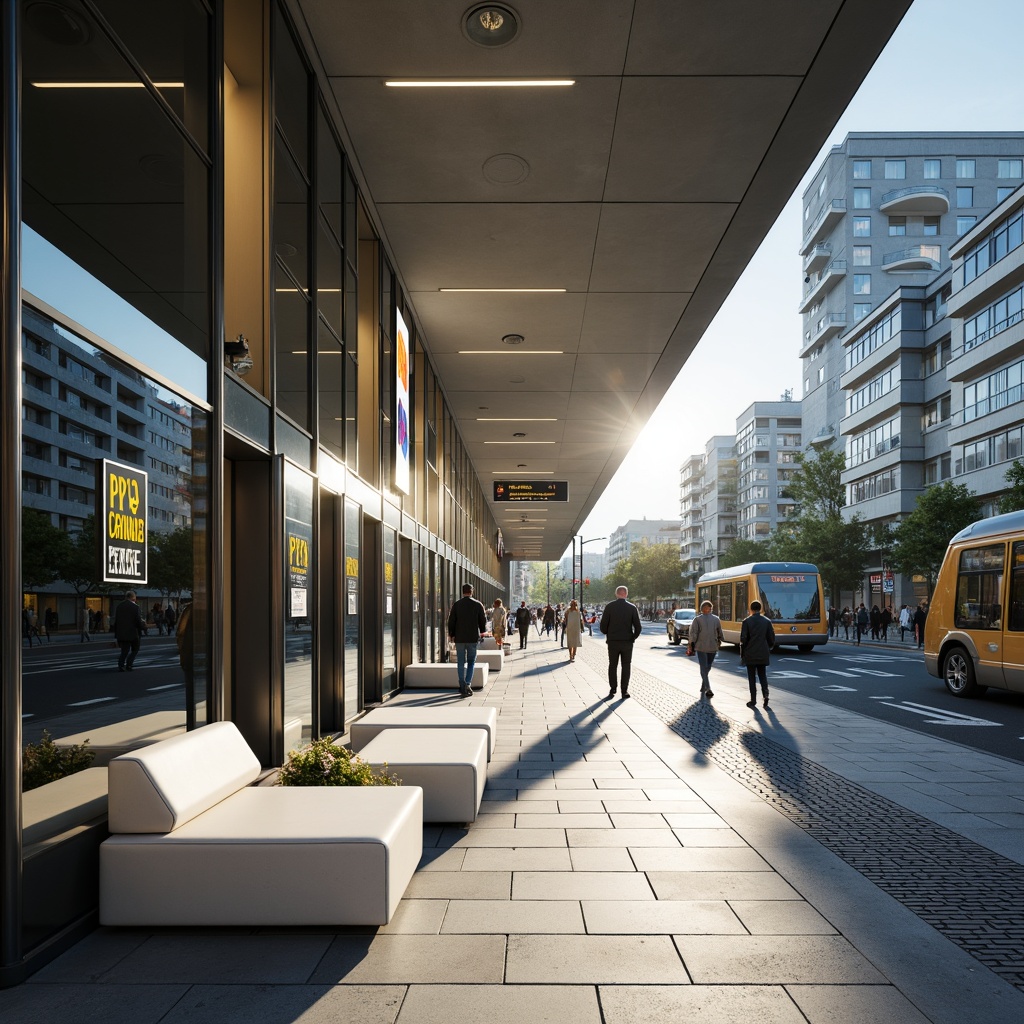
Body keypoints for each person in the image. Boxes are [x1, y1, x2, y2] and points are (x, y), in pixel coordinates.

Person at [599, 585, 642, 700]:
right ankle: (624, 690)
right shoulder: (632, 608)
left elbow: (603, 626)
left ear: (616, 594)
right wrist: (633, 637)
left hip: (613, 641)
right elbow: (638, 627)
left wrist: (608, 633)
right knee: (626, 665)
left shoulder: (609, 607)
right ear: (626, 594)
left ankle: (613, 688)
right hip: (627, 641)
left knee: (612, 664)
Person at [447, 583, 487, 698]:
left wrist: (452, 634)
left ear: (462, 591)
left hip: (459, 638)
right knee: (471, 662)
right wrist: (482, 631)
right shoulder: (477, 604)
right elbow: (482, 620)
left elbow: (451, 621)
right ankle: (468, 683)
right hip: (472, 637)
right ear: (472, 591)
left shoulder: (457, 605)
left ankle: (461, 684)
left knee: (460, 661)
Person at [740, 600, 775, 709]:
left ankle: (753, 700)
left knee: (752, 677)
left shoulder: (746, 622)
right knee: (762, 675)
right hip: (763, 652)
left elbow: (743, 639)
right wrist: (768, 647)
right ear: (760, 609)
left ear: (751, 609)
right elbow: (771, 638)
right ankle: (765, 695)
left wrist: (743, 653)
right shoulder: (767, 621)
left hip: (750, 652)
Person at [689, 599, 724, 699]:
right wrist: (721, 640)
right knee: (707, 667)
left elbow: (694, 633)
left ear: (702, 609)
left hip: (701, 647)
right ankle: (708, 688)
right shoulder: (716, 619)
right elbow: (720, 632)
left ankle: (704, 686)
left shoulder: (697, 620)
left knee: (704, 667)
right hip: (713, 646)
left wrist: (691, 644)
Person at [114, 590, 147, 672]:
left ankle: (121, 665)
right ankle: (129, 664)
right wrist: (144, 627)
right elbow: (138, 621)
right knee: (135, 650)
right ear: (133, 598)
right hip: (133, 633)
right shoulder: (135, 607)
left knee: (124, 651)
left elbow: (116, 621)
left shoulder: (119, 606)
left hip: (122, 633)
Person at [563, 599, 583, 663]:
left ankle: (573, 655)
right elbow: (565, 619)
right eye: (573, 604)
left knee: (574, 642)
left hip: (575, 628)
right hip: (571, 628)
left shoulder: (578, 611)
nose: (573, 605)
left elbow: (580, 620)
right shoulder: (568, 611)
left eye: (574, 604)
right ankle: (571, 656)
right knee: (571, 642)